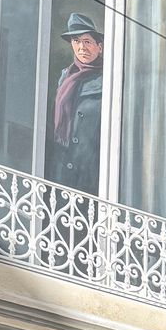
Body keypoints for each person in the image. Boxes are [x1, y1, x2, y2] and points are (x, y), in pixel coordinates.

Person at [51, 12, 103, 195]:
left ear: (100, 46)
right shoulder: (65, 77)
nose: (82, 47)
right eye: (76, 41)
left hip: (90, 171)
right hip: (62, 168)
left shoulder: (107, 79)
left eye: (87, 41)